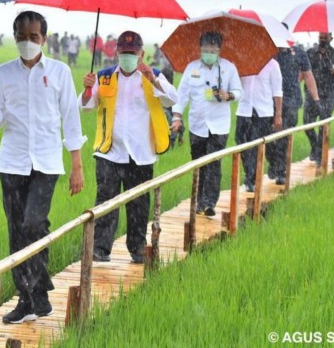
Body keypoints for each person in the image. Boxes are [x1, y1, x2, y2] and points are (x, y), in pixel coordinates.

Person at [0, 10, 85, 325]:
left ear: (45, 38)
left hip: (47, 162)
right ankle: (26, 299)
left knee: (35, 223)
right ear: (15, 38)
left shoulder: (59, 71)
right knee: (16, 231)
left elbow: (70, 117)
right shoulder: (2, 72)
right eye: (22, 37)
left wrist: (76, 164)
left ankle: (39, 289)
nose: (28, 43)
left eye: (34, 37)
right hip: (11, 162)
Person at [80, 30, 177, 263]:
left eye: (133, 54)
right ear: (116, 53)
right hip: (109, 151)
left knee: (139, 204)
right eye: (124, 53)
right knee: (106, 201)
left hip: (141, 153)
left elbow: (172, 99)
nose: (128, 58)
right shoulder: (103, 77)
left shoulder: (153, 75)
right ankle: (99, 249)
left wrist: (153, 81)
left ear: (142, 54)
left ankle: (137, 248)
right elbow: (85, 105)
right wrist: (86, 88)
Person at [172, 31, 242, 216]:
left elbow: (238, 91)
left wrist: (229, 95)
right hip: (197, 125)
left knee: (214, 162)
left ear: (219, 50)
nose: (208, 53)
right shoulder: (192, 69)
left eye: (212, 50)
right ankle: (198, 200)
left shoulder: (228, 68)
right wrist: (177, 117)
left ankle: (209, 202)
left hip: (220, 125)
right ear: (200, 49)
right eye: (205, 50)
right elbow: (182, 95)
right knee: (198, 164)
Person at [266, 37, 320, 184]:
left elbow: (308, 75)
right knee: (267, 134)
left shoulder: (299, 53)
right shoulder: (267, 52)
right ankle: (274, 163)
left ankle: (281, 170)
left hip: (291, 99)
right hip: (268, 99)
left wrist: (315, 99)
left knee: (284, 134)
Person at [236, 58, 283, 192]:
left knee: (256, 145)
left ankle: (251, 179)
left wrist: (278, 115)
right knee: (241, 144)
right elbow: (236, 86)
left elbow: (277, 92)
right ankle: (249, 172)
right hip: (244, 110)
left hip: (263, 112)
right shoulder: (243, 62)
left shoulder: (273, 65)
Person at [304, 32, 334, 165]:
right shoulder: (310, 53)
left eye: (325, 38)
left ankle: (319, 154)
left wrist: (332, 66)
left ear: (331, 38)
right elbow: (303, 71)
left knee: (323, 124)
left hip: (329, 94)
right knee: (307, 123)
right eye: (320, 37)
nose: (322, 40)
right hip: (311, 93)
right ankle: (316, 147)